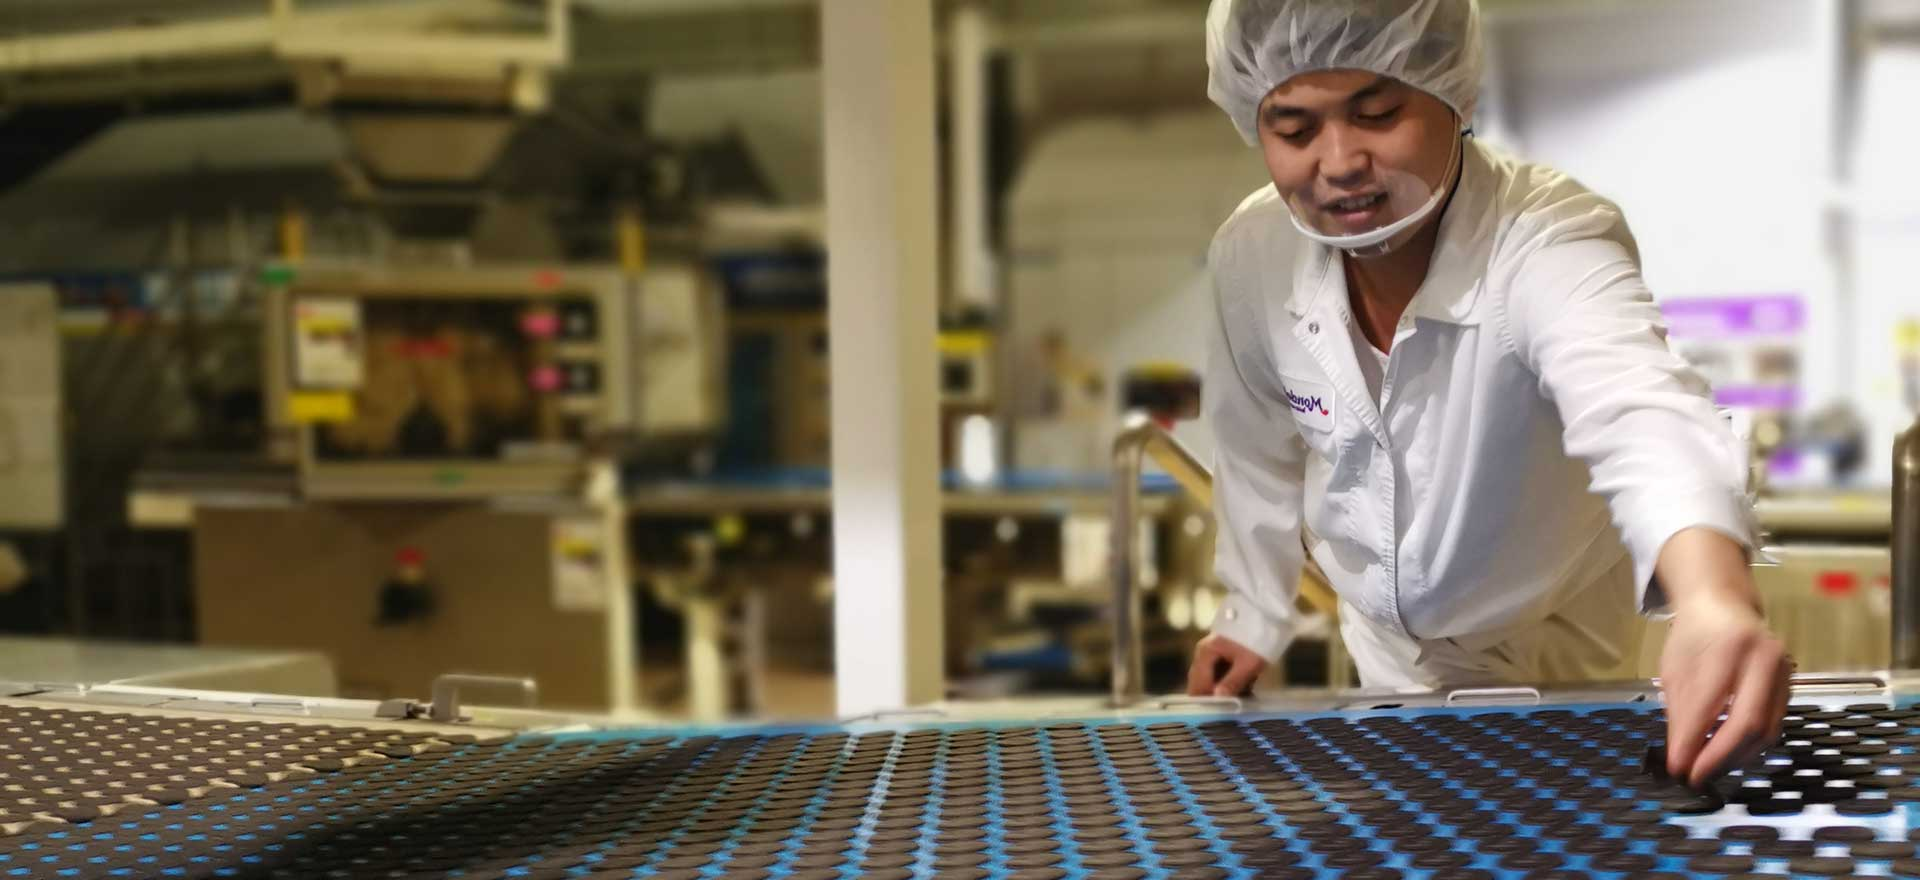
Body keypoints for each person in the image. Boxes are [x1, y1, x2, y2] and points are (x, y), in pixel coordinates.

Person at [1186, 0, 1791, 787]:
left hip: (1559, 659)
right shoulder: (1253, 256)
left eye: (1377, 113)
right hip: (1392, 663)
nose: (1337, 162)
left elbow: (1640, 406)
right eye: (1294, 130)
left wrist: (1712, 597)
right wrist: (1252, 612)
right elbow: (1255, 446)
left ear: (1453, 94)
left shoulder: (1545, 234)